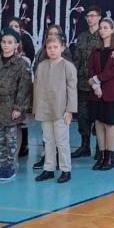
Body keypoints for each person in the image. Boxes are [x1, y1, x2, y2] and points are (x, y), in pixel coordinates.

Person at [0, 29, 32, 182]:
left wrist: (18, 108)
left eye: (10, 42)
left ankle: (10, 167)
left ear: (16, 45)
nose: (6, 45)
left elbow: (24, 88)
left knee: (11, 139)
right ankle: (3, 166)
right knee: (0, 139)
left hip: (11, 105)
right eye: (4, 42)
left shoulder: (21, 64)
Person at [33, 32, 77, 184]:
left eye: (55, 47)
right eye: (49, 47)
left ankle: (65, 169)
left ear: (62, 48)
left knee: (62, 141)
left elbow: (72, 90)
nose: (52, 50)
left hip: (61, 110)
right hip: (45, 109)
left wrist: (69, 110)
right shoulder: (41, 66)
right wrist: (36, 108)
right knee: (48, 140)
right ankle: (49, 168)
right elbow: (37, 88)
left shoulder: (67, 66)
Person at [87, 17, 114, 171]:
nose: (102, 30)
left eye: (106, 28)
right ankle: (101, 155)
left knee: (109, 124)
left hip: (110, 92)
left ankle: (110, 156)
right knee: (98, 123)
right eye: (101, 28)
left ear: (112, 30)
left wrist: (97, 79)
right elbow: (90, 69)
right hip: (96, 92)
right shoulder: (95, 50)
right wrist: (96, 86)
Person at [71, 5, 102, 159]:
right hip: (82, 83)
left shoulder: (104, 35)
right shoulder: (82, 37)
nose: (89, 19)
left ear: (99, 17)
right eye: (87, 16)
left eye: (92, 16)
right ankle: (85, 146)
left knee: (98, 116)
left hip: (98, 84)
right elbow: (76, 59)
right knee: (83, 116)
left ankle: (100, 147)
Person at [6, 18, 33, 159]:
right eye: (11, 26)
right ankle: (6, 157)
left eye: (16, 26)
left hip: (19, 98)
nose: (13, 28)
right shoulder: (0, 57)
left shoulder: (26, 44)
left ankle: (19, 152)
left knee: (19, 125)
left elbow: (26, 83)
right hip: (4, 99)